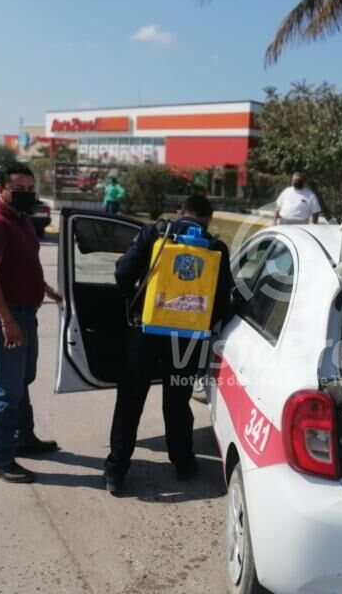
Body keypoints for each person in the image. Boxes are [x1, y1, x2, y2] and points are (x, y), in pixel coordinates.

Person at [104, 194, 233, 495]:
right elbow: (221, 301)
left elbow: (123, 272)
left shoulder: (155, 234)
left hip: (145, 333)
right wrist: (199, 321)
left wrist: (137, 304)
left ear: (180, 212)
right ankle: (184, 464)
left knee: (130, 402)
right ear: (208, 219)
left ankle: (116, 470)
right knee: (177, 402)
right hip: (187, 340)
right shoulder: (216, 248)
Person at [0, 162, 63, 484]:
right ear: (0, 190)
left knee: (22, 380)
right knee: (8, 390)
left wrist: (47, 290)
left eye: (29, 189)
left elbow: (26, 263)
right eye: (18, 189)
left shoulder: (21, 220)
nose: (25, 194)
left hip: (24, 313)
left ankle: (24, 438)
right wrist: (7, 320)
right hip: (2, 316)